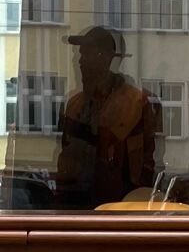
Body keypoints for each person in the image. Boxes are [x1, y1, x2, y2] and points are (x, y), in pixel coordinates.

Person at [56, 25, 158, 211]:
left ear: (104, 58)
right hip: (73, 208)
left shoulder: (134, 103)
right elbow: (64, 158)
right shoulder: (74, 105)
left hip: (118, 211)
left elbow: (144, 166)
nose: (79, 61)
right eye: (80, 54)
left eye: (86, 54)